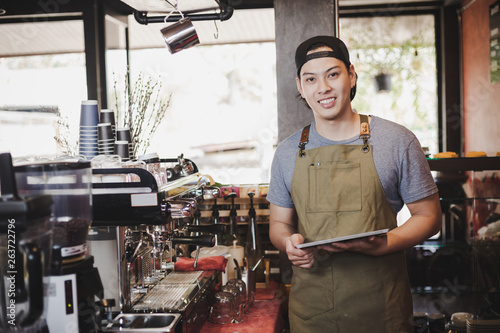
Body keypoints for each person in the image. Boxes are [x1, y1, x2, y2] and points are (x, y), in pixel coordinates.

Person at [267, 35, 442, 333]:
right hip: (313, 314)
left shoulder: (397, 141)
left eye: (332, 74)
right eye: (311, 79)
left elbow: (430, 217)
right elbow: (278, 224)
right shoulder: (286, 152)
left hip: (382, 310)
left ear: (351, 75)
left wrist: (384, 244)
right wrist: (287, 243)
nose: (323, 88)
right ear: (300, 86)